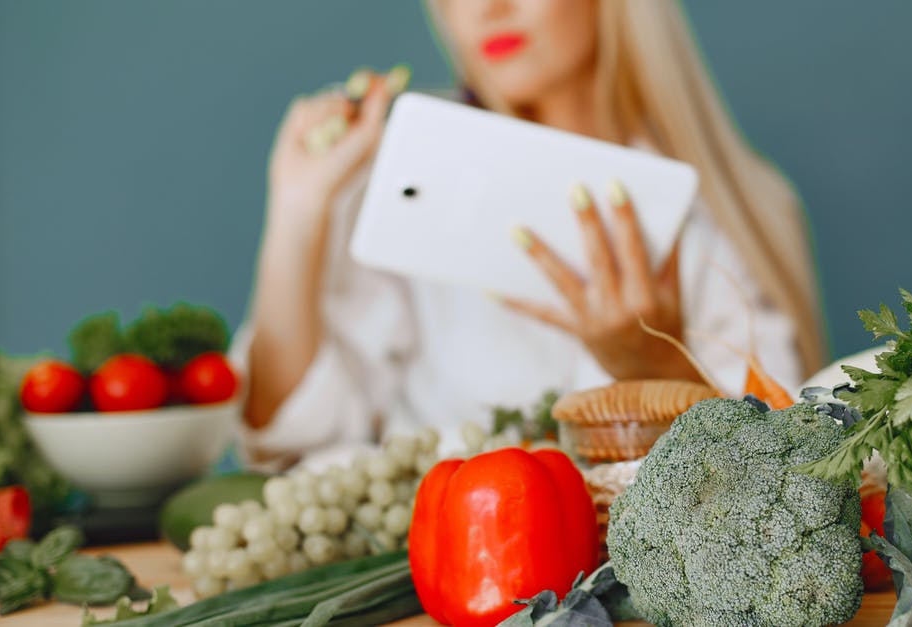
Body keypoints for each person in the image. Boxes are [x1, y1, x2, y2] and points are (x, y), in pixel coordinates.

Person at [234, 0, 827, 468]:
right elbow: (289, 437)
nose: (486, 7)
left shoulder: (722, 214)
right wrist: (298, 212)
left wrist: (652, 366)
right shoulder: (405, 179)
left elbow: (784, 474)